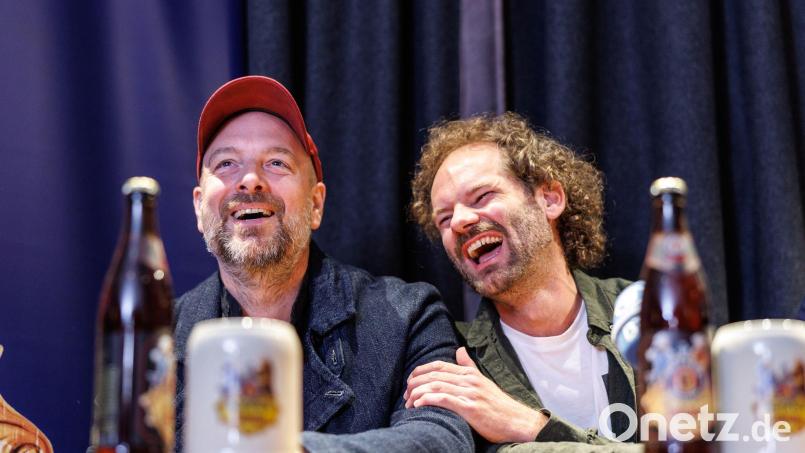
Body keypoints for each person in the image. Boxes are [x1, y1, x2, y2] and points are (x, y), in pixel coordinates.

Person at [173, 75, 473, 452]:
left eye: (276, 162)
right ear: (199, 207)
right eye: (226, 163)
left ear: (315, 204)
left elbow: (441, 437)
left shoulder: (408, 316)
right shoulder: (155, 341)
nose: (250, 180)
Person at [405, 113, 640, 452]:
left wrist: (532, 426)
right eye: (444, 218)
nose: (458, 221)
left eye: (482, 196)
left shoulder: (645, 314)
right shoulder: (459, 365)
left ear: (550, 199)